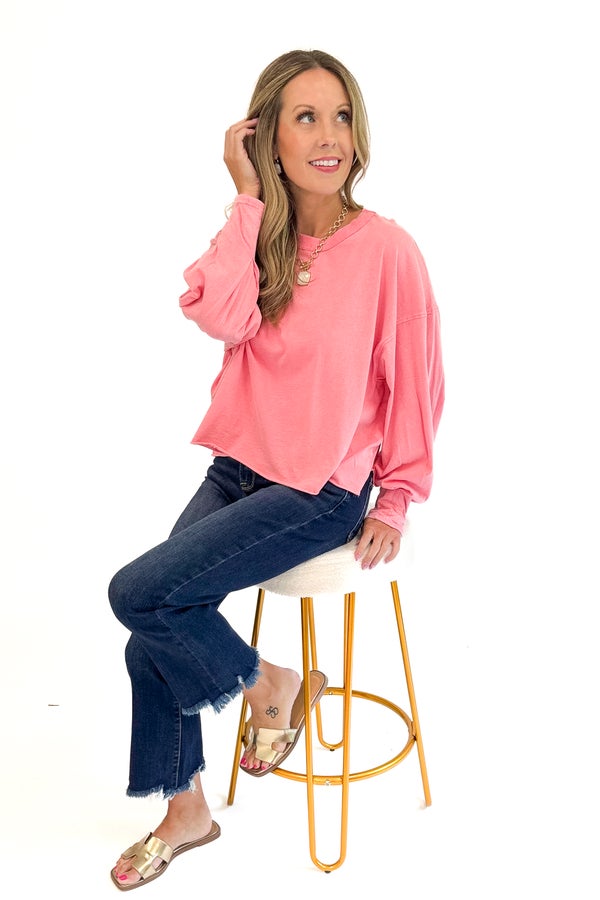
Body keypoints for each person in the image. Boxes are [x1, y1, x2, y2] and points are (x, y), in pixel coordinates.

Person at [108, 48, 444, 890]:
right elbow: (218, 314)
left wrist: (396, 498)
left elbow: (418, 382)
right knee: (155, 626)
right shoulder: (261, 236)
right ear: (270, 137)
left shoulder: (388, 250)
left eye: (340, 116)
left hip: (317, 491)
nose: (329, 136)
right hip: (238, 470)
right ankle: (192, 805)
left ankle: (270, 687)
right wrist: (247, 197)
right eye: (305, 118)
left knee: (139, 595)